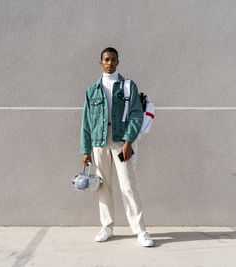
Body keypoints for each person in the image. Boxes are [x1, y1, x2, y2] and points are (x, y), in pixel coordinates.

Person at [80, 47, 154, 247]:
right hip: (99, 141)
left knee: (128, 185)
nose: (110, 63)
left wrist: (129, 141)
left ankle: (140, 230)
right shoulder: (92, 90)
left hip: (121, 139)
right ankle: (107, 226)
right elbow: (86, 122)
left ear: (118, 62)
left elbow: (136, 114)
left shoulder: (128, 86)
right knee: (103, 185)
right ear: (100, 62)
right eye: (106, 59)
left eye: (113, 59)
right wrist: (85, 150)